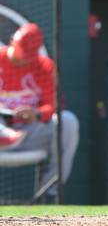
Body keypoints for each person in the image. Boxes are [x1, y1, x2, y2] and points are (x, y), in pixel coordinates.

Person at [0, 23, 80, 201]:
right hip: (3, 125)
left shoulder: (43, 66)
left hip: (27, 133)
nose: (23, 60)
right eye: (22, 53)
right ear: (13, 41)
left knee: (67, 121)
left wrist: (35, 114)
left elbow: (51, 107)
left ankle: (51, 192)